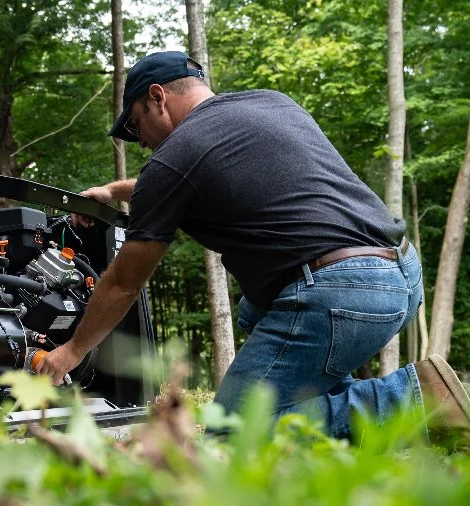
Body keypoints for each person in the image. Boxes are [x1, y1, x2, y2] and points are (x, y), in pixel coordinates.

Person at [36, 50, 470, 442]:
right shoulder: (270, 103)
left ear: (157, 98)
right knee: (253, 311)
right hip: (400, 274)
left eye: (134, 124)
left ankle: (412, 400)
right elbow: (190, 177)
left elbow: (123, 285)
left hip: (341, 292)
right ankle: (326, 418)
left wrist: (71, 352)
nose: (140, 140)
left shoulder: (174, 158)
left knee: (234, 430)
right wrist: (115, 191)